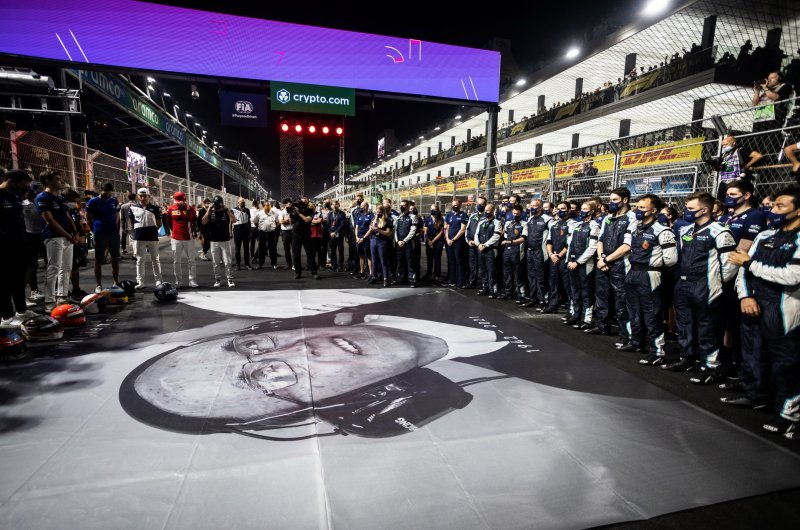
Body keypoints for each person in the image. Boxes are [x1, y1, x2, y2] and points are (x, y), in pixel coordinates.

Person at [725, 186, 799, 427]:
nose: (773, 210)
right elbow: (742, 270)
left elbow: (792, 276)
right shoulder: (765, 235)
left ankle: (789, 415)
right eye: (773, 205)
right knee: (753, 354)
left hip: (784, 307)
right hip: (754, 303)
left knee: (785, 362)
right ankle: (756, 396)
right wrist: (745, 297)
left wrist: (750, 264)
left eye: (780, 206)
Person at [664, 192, 738, 374]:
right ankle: (686, 358)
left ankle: (709, 366)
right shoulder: (685, 230)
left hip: (706, 285)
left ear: (705, 210)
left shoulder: (720, 232)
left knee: (707, 327)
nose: (686, 211)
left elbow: (729, 266)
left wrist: (716, 284)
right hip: (683, 283)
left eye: (691, 208)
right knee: (684, 323)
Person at [621, 194, 678, 363]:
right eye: (637, 207)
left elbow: (671, 259)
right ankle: (636, 342)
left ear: (653, 211)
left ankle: (657, 351)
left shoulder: (663, 230)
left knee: (652, 313)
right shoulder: (634, 226)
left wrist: (653, 264)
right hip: (633, 272)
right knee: (633, 310)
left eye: (642, 208)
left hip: (650, 274)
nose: (638, 210)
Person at [588, 188, 635, 341]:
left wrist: (607, 260)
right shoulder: (607, 218)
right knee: (602, 295)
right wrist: (601, 258)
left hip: (621, 264)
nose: (611, 203)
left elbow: (627, 246)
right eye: (610, 200)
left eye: (615, 200)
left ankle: (625, 335)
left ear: (625, 200)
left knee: (621, 300)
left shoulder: (632, 217)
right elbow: (600, 239)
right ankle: (602, 325)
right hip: (603, 262)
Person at [35, 170, 81, 311]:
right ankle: (49, 302)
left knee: (66, 268)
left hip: (67, 237)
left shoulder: (60, 198)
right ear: (48, 181)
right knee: (53, 268)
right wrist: (68, 235)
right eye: (57, 179)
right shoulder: (42, 197)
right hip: (53, 237)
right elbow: (50, 221)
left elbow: (68, 216)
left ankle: (62, 296)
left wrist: (75, 232)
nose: (61, 181)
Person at [0, 169, 35, 326]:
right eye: (22, 185)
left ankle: (21, 310)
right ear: (10, 181)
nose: (24, 188)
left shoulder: (14, 196)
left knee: (19, 278)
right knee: (5, 280)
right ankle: (7, 316)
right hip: (4, 244)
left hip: (20, 241)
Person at [565, 201, 600, 328]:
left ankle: (587, 319)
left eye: (586, 209)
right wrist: (568, 260)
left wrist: (578, 262)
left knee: (586, 291)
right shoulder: (577, 225)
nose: (582, 211)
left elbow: (592, 247)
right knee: (574, 290)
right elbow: (569, 244)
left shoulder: (595, 226)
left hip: (586, 264)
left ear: (592, 211)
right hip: (572, 262)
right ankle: (575, 315)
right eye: (582, 208)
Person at [86, 182, 121, 293]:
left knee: (115, 259)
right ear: (101, 190)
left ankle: (116, 282)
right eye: (106, 192)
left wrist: (116, 228)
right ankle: (98, 285)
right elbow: (88, 219)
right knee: (98, 260)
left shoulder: (114, 201)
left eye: (110, 193)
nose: (108, 194)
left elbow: (117, 216)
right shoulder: (93, 202)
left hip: (113, 233)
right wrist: (94, 231)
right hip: (100, 234)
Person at [128, 188, 163, 290]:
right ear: (138, 196)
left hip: (152, 237)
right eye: (141, 196)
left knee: (155, 259)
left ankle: (158, 280)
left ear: (149, 196)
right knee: (140, 260)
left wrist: (152, 230)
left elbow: (159, 223)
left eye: (145, 196)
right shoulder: (132, 208)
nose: (143, 198)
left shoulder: (155, 208)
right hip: (139, 237)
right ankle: (140, 281)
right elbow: (131, 222)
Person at [165, 191, 198, 288]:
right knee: (176, 261)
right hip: (176, 239)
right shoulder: (171, 209)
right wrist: (173, 231)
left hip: (189, 238)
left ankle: (192, 280)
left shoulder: (191, 209)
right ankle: (178, 281)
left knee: (191, 260)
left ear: (184, 200)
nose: (178, 204)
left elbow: (195, 221)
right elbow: (169, 222)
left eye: (180, 201)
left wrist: (195, 232)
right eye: (177, 201)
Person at [543, 202, 572, 313]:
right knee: (553, 282)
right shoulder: (554, 224)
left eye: (563, 208)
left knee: (567, 284)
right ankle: (553, 305)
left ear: (569, 210)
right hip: (553, 257)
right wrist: (551, 254)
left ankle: (571, 309)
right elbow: (549, 241)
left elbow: (570, 244)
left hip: (564, 258)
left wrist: (559, 255)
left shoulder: (573, 224)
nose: (560, 211)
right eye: (558, 209)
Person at [523, 199, 552, 309]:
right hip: (530, 251)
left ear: (540, 207)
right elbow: (525, 232)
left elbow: (551, 236)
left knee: (540, 277)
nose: (532, 208)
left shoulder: (547, 219)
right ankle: (533, 298)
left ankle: (542, 300)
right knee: (531, 276)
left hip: (541, 251)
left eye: (534, 206)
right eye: (531, 205)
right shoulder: (530, 219)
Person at [201, 195, 235, 288]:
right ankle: (218, 279)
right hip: (214, 241)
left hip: (225, 240)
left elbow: (234, 220)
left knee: (227, 261)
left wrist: (227, 210)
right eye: (216, 203)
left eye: (219, 203)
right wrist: (209, 210)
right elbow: (203, 222)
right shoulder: (210, 211)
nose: (217, 205)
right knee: (215, 262)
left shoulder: (226, 211)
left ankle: (229, 279)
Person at [21, 186, 45, 304]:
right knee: (31, 266)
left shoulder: (38, 204)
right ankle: (33, 291)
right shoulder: (24, 205)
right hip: (30, 236)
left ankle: (55, 289)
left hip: (41, 235)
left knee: (50, 263)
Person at [65, 189, 89, 300]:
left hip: (78, 239)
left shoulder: (75, 210)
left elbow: (79, 223)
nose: (75, 202)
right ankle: (65, 292)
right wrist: (74, 236)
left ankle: (76, 289)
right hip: (69, 240)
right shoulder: (64, 210)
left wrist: (82, 235)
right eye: (73, 200)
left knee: (76, 266)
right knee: (67, 267)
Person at [500, 204, 527, 302]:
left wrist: (510, 242)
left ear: (521, 213)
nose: (515, 215)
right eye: (514, 213)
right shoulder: (509, 223)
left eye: (517, 214)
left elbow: (523, 238)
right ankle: (508, 292)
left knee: (518, 273)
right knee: (507, 272)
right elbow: (505, 235)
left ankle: (521, 294)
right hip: (507, 250)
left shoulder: (525, 224)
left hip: (518, 250)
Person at [475, 202, 502, 298]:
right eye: (485, 210)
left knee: (491, 270)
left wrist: (486, 245)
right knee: (483, 270)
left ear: (493, 211)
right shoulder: (481, 222)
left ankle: (493, 290)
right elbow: (476, 234)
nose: (486, 212)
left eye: (488, 210)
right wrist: (478, 244)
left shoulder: (497, 222)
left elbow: (496, 236)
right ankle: (485, 287)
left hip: (491, 250)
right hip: (481, 249)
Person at [288, 197, 318, 280]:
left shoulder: (310, 210)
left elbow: (307, 220)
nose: (302, 203)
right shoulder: (295, 211)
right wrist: (291, 212)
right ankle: (297, 272)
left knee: (310, 254)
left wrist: (299, 213)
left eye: (304, 202)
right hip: (295, 234)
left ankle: (314, 272)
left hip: (306, 234)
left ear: (307, 203)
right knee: (295, 254)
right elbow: (291, 222)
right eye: (301, 202)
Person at [444, 199, 468, 287]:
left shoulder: (463, 215)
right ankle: (451, 279)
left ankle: (460, 280)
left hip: (458, 242)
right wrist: (447, 239)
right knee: (451, 261)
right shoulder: (449, 215)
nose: (454, 207)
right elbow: (447, 228)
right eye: (453, 205)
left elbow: (462, 229)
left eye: (456, 205)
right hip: (449, 241)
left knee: (459, 261)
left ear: (460, 205)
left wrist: (453, 240)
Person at [369, 204, 394, 287]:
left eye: (379, 212)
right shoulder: (374, 219)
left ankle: (386, 278)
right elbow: (370, 229)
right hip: (373, 240)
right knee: (374, 260)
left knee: (383, 260)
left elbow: (388, 233)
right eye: (377, 212)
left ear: (383, 212)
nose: (378, 213)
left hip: (382, 241)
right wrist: (371, 228)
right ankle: (374, 276)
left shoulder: (388, 220)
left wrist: (379, 230)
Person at [394, 200, 418, 287]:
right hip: (399, 243)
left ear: (407, 206)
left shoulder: (413, 217)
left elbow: (413, 231)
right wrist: (397, 241)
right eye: (401, 205)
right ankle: (401, 278)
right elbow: (395, 230)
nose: (402, 207)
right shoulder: (399, 217)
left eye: (403, 205)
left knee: (410, 262)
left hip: (408, 243)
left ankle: (412, 280)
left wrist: (404, 241)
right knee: (400, 261)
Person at [465, 197, 485, 289]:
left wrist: (479, 243)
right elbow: (468, 229)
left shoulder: (487, 216)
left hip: (481, 245)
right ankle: (472, 282)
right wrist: (468, 240)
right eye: (478, 204)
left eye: (481, 204)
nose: (479, 206)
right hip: (471, 244)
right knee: (472, 265)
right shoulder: (472, 216)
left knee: (482, 265)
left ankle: (484, 285)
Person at [253, 201, 278, 270]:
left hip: (271, 233)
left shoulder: (274, 213)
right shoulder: (259, 213)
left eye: (269, 205)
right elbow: (255, 222)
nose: (269, 207)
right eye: (267, 205)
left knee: (272, 249)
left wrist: (273, 227)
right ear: (263, 206)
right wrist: (261, 227)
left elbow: (277, 222)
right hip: (262, 233)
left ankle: (274, 264)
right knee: (261, 249)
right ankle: (260, 264)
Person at [424, 205, 445, 283]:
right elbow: (425, 232)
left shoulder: (441, 219)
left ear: (437, 210)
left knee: (437, 259)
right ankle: (429, 274)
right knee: (429, 259)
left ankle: (437, 275)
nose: (433, 211)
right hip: (429, 241)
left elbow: (441, 232)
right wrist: (429, 241)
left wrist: (432, 241)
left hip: (438, 242)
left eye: (434, 210)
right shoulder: (427, 219)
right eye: (432, 209)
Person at [354, 201, 373, 279]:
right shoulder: (359, 215)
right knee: (361, 256)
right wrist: (356, 237)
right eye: (361, 206)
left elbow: (371, 229)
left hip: (366, 239)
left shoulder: (371, 216)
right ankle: (362, 272)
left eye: (362, 206)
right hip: (359, 239)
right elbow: (356, 227)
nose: (361, 207)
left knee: (369, 256)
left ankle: (371, 274)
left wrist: (363, 238)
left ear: (366, 206)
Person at [231, 197, 252, 271]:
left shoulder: (247, 210)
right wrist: (230, 232)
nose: (243, 202)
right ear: (238, 202)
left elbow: (249, 220)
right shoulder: (233, 210)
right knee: (237, 249)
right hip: (237, 230)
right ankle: (238, 265)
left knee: (246, 249)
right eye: (241, 201)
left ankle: (247, 264)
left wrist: (250, 230)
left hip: (246, 230)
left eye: (243, 201)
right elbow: (230, 222)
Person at [327, 201, 346, 272]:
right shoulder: (330, 214)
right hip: (331, 235)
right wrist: (330, 232)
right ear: (331, 206)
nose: (334, 206)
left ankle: (340, 265)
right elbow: (328, 224)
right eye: (333, 204)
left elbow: (342, 224)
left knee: (340, 250)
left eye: (336, 204)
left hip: (339, 234)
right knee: (332, 250)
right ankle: (334, 264)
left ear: (338, 205)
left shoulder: (342, 213)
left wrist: (335, 232)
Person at [276, 199, 293, 270]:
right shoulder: (281, 212)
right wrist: (289, 220)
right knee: (286, 249)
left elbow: (295, 221)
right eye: (289, 204)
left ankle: (296, 264)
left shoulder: (294, 211)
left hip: (293, 231)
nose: (290, 205)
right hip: (285, 232)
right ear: (285, 205)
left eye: (291, 204)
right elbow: (281, 222)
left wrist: (287, 220)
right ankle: (289, 264)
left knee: (295, 249)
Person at [119, 192, 137, 258]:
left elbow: (122, 218)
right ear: (135, 197)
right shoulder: (138, 205)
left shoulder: (123, 206)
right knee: (135, 239)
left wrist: (122, 227)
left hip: (126, 225)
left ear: (128, 198)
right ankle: (135, 254)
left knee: (125, 238)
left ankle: (124, 249)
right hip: (136, 225)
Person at [249, 200, 260, 265]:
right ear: (256, 204)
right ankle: (255, 256)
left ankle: (252, 256)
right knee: (261, 243)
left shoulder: (249, 210)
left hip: (251, 228)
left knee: (252, 243)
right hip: (256, 228)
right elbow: (253, 219)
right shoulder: (256, 211)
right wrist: (257, 224)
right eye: (258, 204)